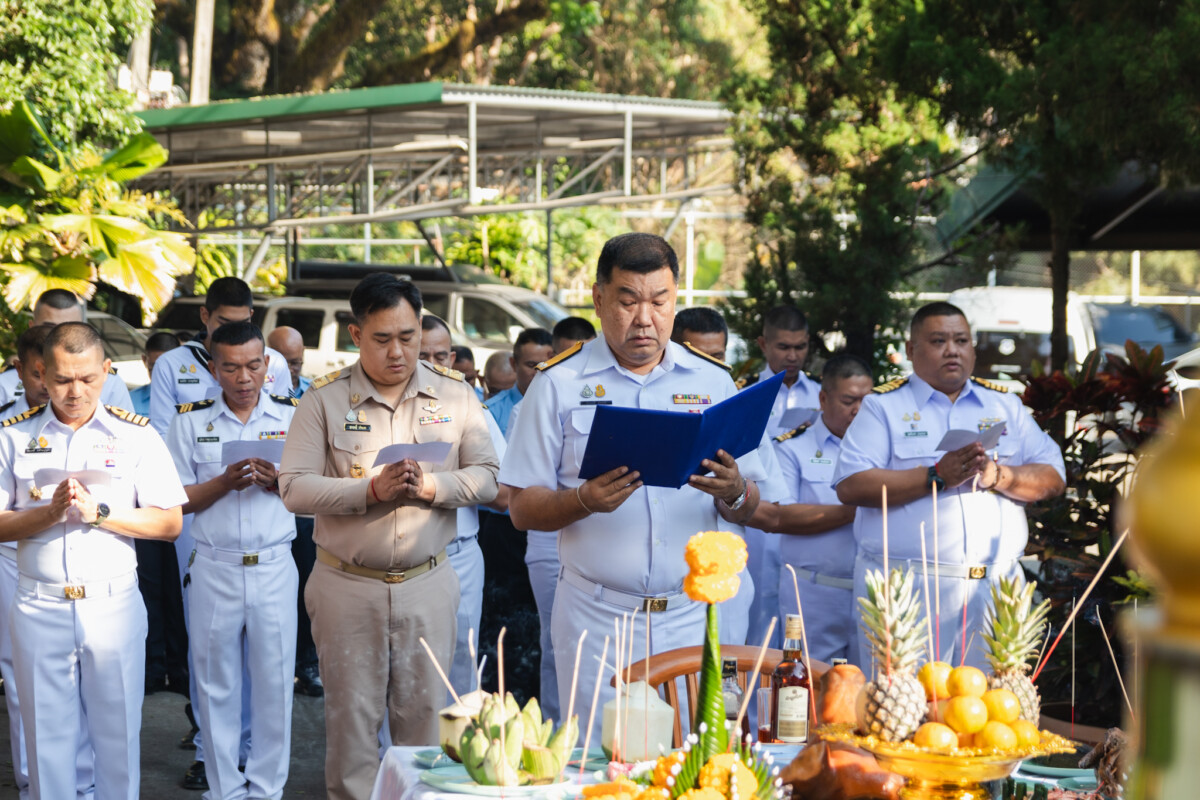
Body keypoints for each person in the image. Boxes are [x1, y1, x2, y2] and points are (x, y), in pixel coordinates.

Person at [501, 233, 774, 736]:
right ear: (599, 299)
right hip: (597, 616)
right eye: (628, 301)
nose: (644, 318)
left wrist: (735, 489)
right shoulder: (558, 384)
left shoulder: (712, 381)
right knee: (599, 763)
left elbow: (755, 501)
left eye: (659, 301)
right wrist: (582, 500)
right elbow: (521, 507)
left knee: (691, 760)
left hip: (692, 615)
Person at [279, 273, 499, 800]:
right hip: (346, 586)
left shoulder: (456, 395)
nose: (398, 351)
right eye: (382, 339)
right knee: (352, 727)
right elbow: (293, 488)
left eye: (408, 336)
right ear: (355, 335)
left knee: (427, 725)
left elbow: (489, 477)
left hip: (429, 582)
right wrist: (369, 490)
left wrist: (433, 486)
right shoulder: (324, 400)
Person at [0, 322, 186, 799]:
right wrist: (49, 513)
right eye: (61, 379)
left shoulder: (136, 436)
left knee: (118, 737)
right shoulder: (13, 437)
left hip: (113, 606)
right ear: (40, 373)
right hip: (40, 606)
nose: (75, 391)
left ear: (107, 370)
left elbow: (168, 523)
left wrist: (100, 513)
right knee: (46, 741)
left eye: (87, 378)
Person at [833, 302, 1066, 669]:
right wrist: (934, 476)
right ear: (911, 351)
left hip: (995, 587)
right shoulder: (883, 407)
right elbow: (850, 485)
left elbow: (1054, 476)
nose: (952, 350)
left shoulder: (1005, 405)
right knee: (904, 714)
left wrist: (999, 476)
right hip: (908, 590)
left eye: (961, 340)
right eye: (939, 340)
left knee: (992, 714)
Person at [150, 277, 291, 790]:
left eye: (254, 365)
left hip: (274, 563)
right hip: (213, 564)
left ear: (267, 365)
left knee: (275, 683)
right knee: (215, 684)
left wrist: (280, 485)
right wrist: (220, 483)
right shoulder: (189, 423)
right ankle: (223, 785)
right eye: (231, 367)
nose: (245, 377)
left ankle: (267, 787)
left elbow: (315, 495)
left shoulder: (293, 420)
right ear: (214, 369)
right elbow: (172, 500)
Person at [755, 354, 872, 663]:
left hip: (872, 593)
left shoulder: (882, 449)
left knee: (869, 691)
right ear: (823, 398)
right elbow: (781, 515)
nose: (858, 410)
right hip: (814, 593)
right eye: (848, 400)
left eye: (866, 401)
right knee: (807, 687)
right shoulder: (792, 448)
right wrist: (859, 509)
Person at [419, 315, 509, 699]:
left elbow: (504, 494)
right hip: (401, 557)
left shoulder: (468, 402)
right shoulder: (374, 406)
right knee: (407, 672)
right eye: (422, 354)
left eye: (441, 355)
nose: (432, 365)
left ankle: (458, 755)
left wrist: (441, 483)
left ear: (453, 358)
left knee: (461, 664)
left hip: (459, 554)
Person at [513, 319, 597, 720]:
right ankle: (552, 725)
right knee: (556, 642)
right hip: (549, 541)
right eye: (567, 350)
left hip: (596, 538)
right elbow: (523, 496)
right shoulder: (536, 400)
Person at [737, 304, 821, 649]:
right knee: (753, 610)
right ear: (763, 344)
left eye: (800, 347)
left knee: (796, 614)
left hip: (800, 513)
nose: (793, 356)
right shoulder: (742, 394)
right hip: (756, 515)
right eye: (784, 347)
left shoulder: (822, 395)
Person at [129, 332, 190, 699]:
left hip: (182, 504)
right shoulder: (132, 401)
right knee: (150, 585)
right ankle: (153, 666)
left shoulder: (191, 405)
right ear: (146, 362)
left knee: (178, 590)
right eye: (153, 364)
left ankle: (179, 669)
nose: (159, 370)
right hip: (143, 508)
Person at [267, 326, 321, 697]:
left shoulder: (315, 396)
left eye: (297, 363)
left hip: (306, 515)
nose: (292, 369)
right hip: (268, 517)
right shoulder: (257, 396)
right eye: (285, 362)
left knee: (308, 592)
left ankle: (308, 663)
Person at [0, 289, 134, 409]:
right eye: (50, 328)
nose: (60, 336)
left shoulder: (110, 383)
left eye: (86, 380)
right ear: (32, 326)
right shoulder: (5, 382)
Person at [485, 329, 553, 436]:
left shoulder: (563, 407)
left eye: (547, 366)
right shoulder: (491, 412)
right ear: (513, 364)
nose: (539, 372)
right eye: (531, 365)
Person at [130, 332, 182, 418]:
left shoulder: (193, 398)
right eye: (154, 366)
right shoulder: (130, 400)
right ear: (144, 360)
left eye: (168, 367)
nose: (161, 374)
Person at [267, 326, 312, 398]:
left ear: (302, 353)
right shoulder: (257, 392)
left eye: (295, 363)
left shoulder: (316, 393)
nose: (289, 371)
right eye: (281, 364)